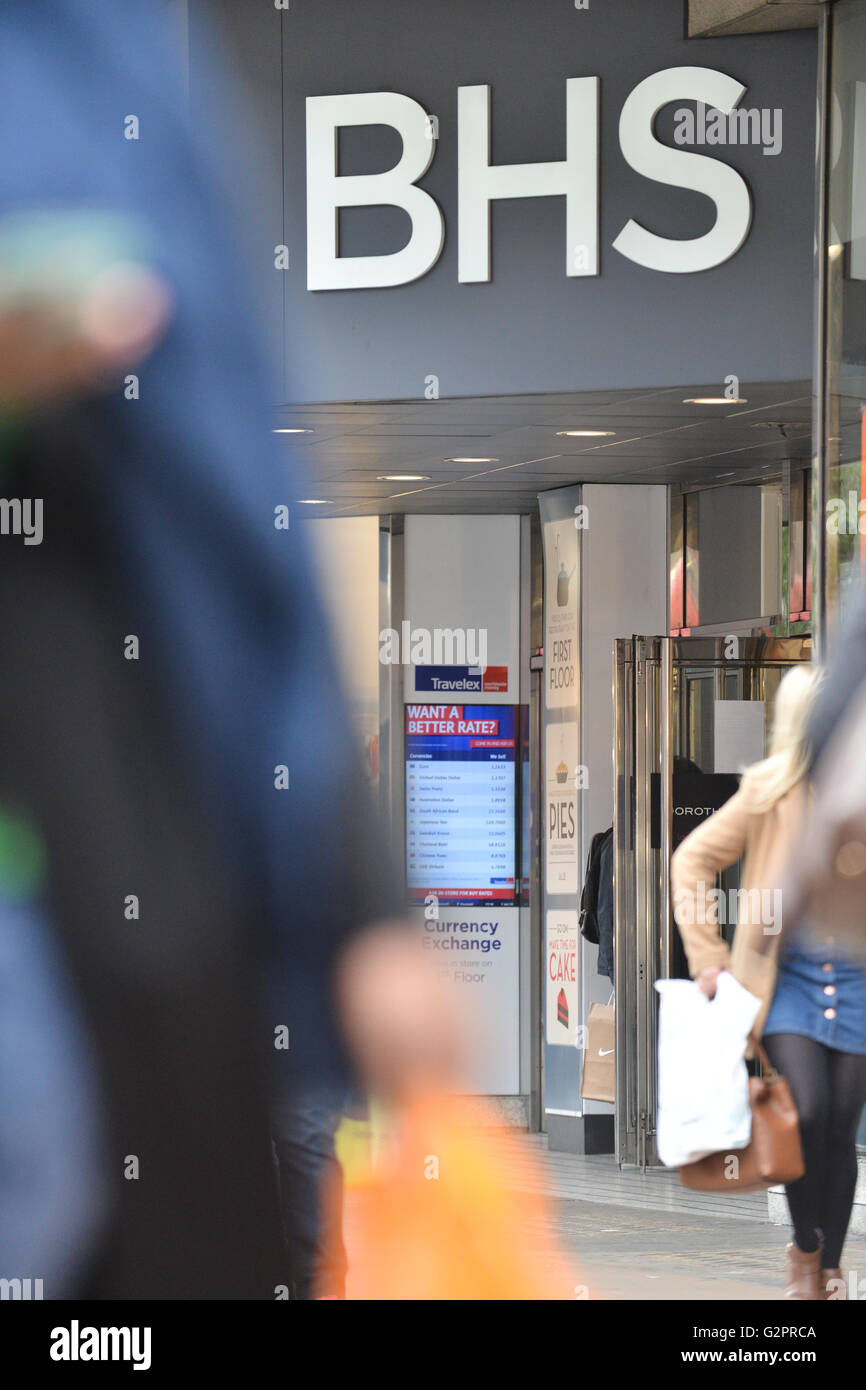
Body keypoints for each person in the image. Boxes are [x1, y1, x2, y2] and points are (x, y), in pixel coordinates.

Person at [671, 666, 866, 1301]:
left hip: (859, 981)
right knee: (805, 1111)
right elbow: (692, 858)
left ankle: (829, 1271)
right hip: (787, 986)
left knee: (841, 1125)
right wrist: (707, 955)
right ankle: (804, 1249)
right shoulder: (767, 791)